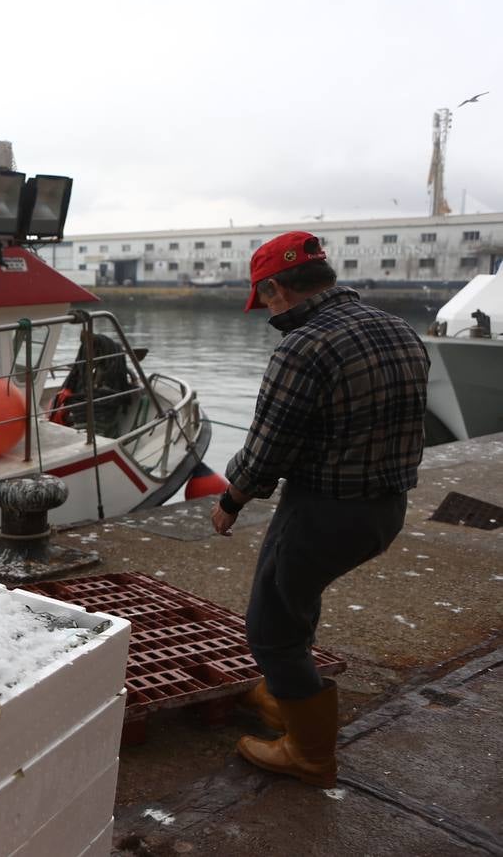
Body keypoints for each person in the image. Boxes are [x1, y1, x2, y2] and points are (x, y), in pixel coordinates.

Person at [210, 232, 429, 788]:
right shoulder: (399, 329)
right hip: (386, 509)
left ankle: (309, 754)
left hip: (326, 511)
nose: (266, 310)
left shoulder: (302, 346)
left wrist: (231, 499)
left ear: (277, 287)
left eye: (264, 299)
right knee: (296, 597)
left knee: (270, 628)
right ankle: (289, 696)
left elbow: (267, 449)